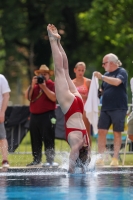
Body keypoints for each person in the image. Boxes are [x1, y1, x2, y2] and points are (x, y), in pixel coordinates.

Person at [47, 24, 91, 173]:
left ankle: (59, 42)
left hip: (79, 105)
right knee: (59, 72)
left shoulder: (86, 143)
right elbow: (73, 157)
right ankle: (53, 41)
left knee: (65, 72)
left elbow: (87, 160)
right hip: (71, 107)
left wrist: (85, 169)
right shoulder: (77, 144)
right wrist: (71, 170)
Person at [94, 53, 128, 166]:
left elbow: (117, 82)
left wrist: (102, 77)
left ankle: (115, 158)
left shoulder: (121, 72)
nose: (102, 65)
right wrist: (96, 90)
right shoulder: (106, 74)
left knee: (117, 133)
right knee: (101, 131)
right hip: (105, 108)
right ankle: (100, 157)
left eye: (104, 63)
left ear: (111, 63)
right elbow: (102, 90)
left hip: (118, 108)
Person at [25, 64, 58, 167]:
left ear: (49, 76)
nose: (42, 76)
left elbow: (54, 98)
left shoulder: (52, 84)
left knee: (48, 137)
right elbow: (28, 97)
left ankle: (50, 160)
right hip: (34, 115)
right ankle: (36, 159)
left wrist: (43, 86)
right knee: (35, 138)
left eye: (45, 74)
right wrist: (32, 84)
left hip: (48, 115)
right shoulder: (34, 86)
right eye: (40, 74)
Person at [73, 62, 91, 145]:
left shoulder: (88, 82)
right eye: (79, 70)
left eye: (82, 70)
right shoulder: (71, 83)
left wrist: (79, 95)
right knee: (76, 132)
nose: (80, 72)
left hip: (85, 108)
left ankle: (88, 150)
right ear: (75, 70)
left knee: (86, 131)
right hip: (75, 108)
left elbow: (92, 97)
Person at [0, 74, 11, 168]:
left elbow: (6, 95)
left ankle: (5, 160)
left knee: (2, 137)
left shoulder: (1, 78)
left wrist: (2, 112)